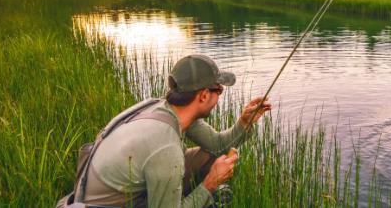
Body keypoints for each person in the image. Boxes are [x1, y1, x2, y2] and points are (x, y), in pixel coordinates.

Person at [77, 54, 271, 207]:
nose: (219, 97)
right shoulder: (165, 147)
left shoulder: (164, 108)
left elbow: (218, 146)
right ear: (203, 95)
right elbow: (165, 154)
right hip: (109, 204)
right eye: (218, 90)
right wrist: (210, 183)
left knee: (207, 155)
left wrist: (245, 122)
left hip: (111, 189)